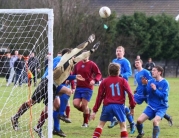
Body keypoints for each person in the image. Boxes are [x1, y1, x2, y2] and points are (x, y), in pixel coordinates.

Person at [11, 34, 98, 135]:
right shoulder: (62, 59)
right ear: (68, 55)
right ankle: (16, 117)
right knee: (32, 102)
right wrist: (88, 41)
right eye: (72, 55)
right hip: (46, 83)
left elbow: (81, 56)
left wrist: (92, 51)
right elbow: (78, 49)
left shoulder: (71, 63)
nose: (74, 57)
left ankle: (40, 127)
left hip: (53, 85)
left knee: (55, 105)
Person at [90, 63, 136, 138]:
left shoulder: (104, 81)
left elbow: (99, 97)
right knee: (123, 127)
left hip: (107, 106)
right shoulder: (123, 81)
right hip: (119, 106)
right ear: (119, 71)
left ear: (109, 71)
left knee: (100, 125)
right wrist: (132, 107)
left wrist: (95, 111)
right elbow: (130, 94)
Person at [136, 66, 170, 138]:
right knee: (139, 121)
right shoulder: (151, 81)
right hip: (151, 106)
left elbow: (163, 96)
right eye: (152, 70)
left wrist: (155, 90)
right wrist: (145, 85)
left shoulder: (165, 83)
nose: (152, 72)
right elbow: (145, 94)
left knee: (155, 122)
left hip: (161, 106)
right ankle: (141, 133)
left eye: (154, 70)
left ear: (159, 72)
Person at [109, 46, 135, 134]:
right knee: (111, 103)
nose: (118, 52)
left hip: (122, 85)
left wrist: (121, 75)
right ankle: (115, 120)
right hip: (113, 85)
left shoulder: (125, 61)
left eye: (120, 51)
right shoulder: (114, 61)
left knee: (120, 105)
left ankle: (130, 123)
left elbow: (129, 73)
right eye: (117, 51)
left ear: (123, 53)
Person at [73, 50, 102, 127]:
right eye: (83, 55)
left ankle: (85, 123)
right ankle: (87, 112)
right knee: (75, 104)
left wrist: (94, 80)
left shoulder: (92, 64)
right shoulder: (77, 64)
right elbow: (73, 74)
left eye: (86, 55)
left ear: (89, 56)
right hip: (79, 87)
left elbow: (99, 74)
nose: (85, 56)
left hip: (88, 88)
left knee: (84, 105)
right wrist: (70, 80)